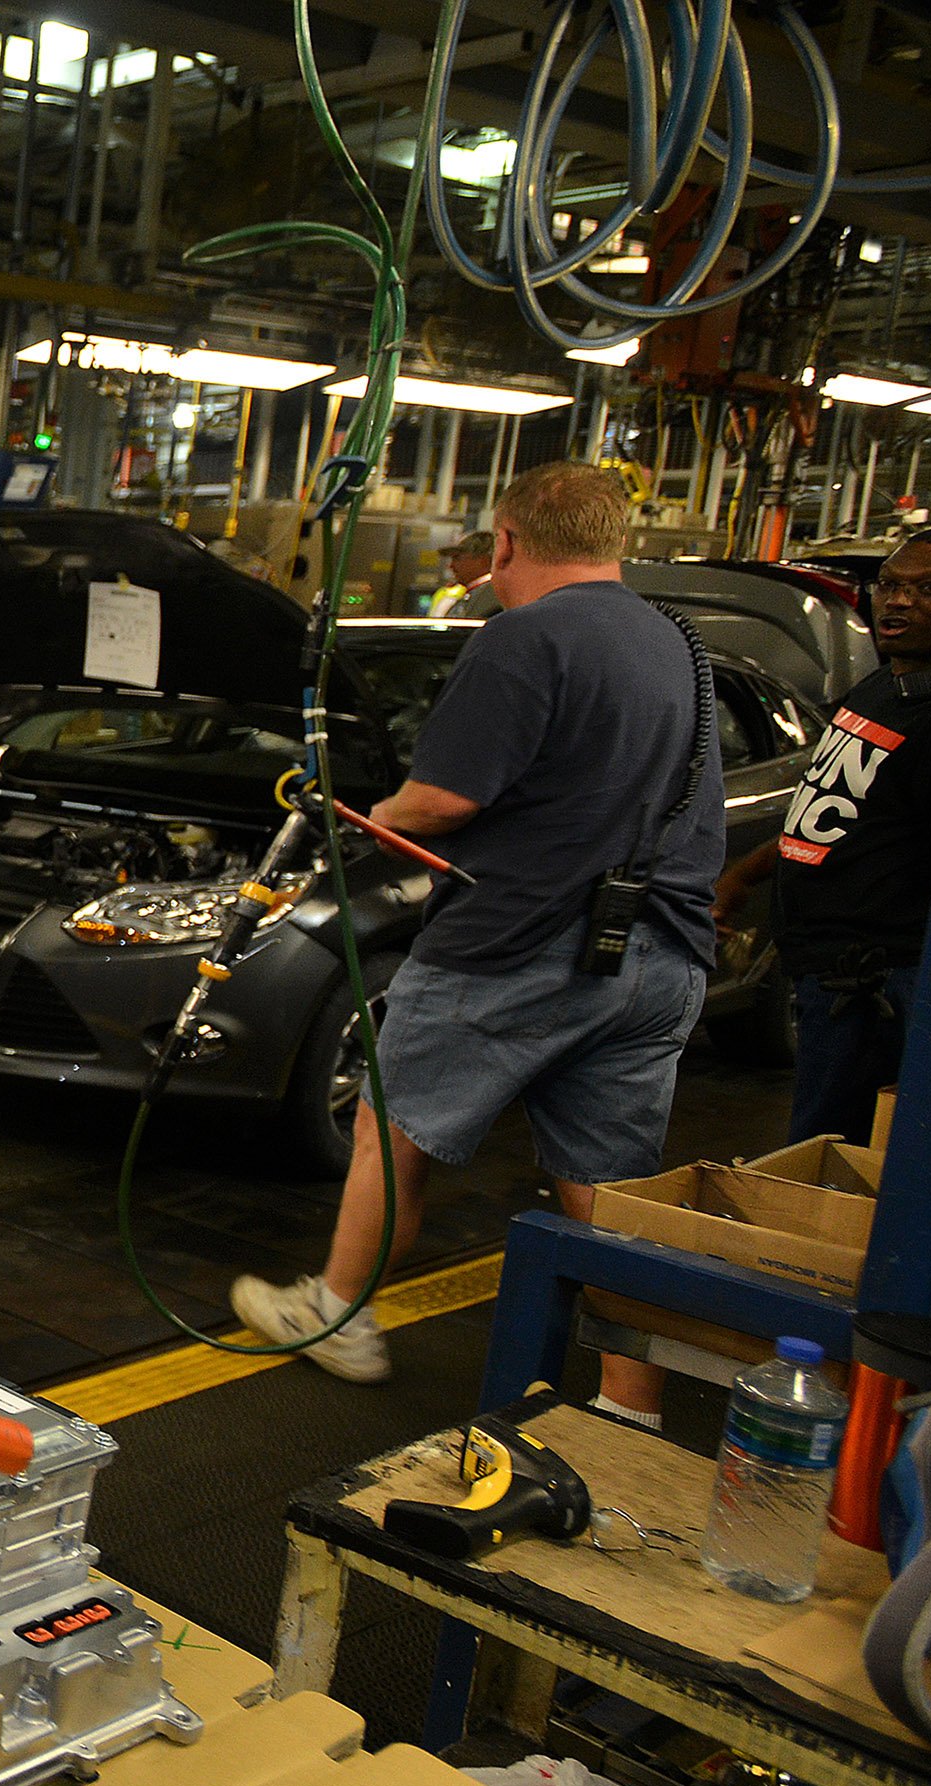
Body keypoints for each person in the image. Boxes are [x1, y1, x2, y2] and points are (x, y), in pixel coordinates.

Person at [232, 462, 720, 1426]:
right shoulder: (675, 641)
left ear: (504, 543)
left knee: (391, 1130)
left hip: (515, 946)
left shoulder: (523, 637)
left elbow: (447, 798)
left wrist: (377, 813)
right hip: (656, 949)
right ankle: (631, 1404)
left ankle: (337, 1315)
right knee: (609, 1189)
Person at [714, 528, 931, 1142]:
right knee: (819, 1152)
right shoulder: (888, 685)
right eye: (890, 585)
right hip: (831, 987)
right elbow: (834, 808)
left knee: (844, 1167)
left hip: (884, 1000)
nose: (899, 602)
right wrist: (744, 875)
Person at [424, 528, 496, 616]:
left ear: (483, 561)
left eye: (457, 558)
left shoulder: (489, 594)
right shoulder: (476, 593)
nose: (451, 566)